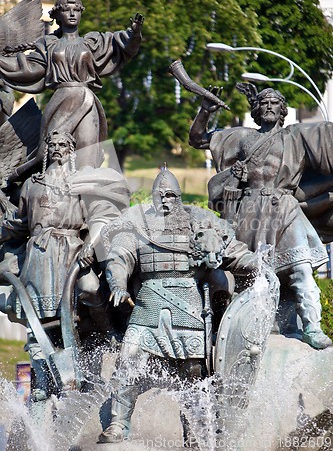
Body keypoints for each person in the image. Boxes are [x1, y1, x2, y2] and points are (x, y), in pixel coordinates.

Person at [97, 167, 276, 444]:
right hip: (149, 304)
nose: (164, 201)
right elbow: (119, 257)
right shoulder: (136, 225)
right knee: (127, 361)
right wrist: (118, 285)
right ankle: (118, 424)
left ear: (179, 197)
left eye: (170, 195)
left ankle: (195, 431)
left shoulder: (200, 224)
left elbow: (234, 253)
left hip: (189, 307)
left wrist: (259, 266)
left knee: (193, 377)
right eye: (159, 195)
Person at [189, 84, 333, 350]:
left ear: (282, 111)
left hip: (285, 207)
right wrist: (205, 110)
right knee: (251, 275)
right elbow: (197, 139)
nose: (268, 106)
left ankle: (312, 326)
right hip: (249, 211)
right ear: (256, 110)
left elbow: (329, 140)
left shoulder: (296, 136)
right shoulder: (242, 137)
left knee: (300, 268)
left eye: (274, 103)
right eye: (263, 102)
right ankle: (243, 331)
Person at [0, 129, 130, 399]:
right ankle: (42, 378)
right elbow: (23, 223)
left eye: (63, 145)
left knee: (92, 288)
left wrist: (89, 248)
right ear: (47, 151)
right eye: (53, 145)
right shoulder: (32, 185)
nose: (58, 148)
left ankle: (109, 330)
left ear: (71, 150)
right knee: (34, 313)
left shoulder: (82, 182)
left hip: (73, 250)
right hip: (39, 252)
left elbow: (99, 218)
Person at [0, 0, 143, 178]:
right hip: (60, 102)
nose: (72, 13)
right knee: (50, 154)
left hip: (86, 102)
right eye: (66, 10)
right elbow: (27, 68)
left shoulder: (93, 42)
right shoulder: (48, 45)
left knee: (87, 155)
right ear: (57, 16)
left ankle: (84, 201)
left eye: (76, 10)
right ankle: (37, 190)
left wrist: (136, 33)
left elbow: (123, 46)